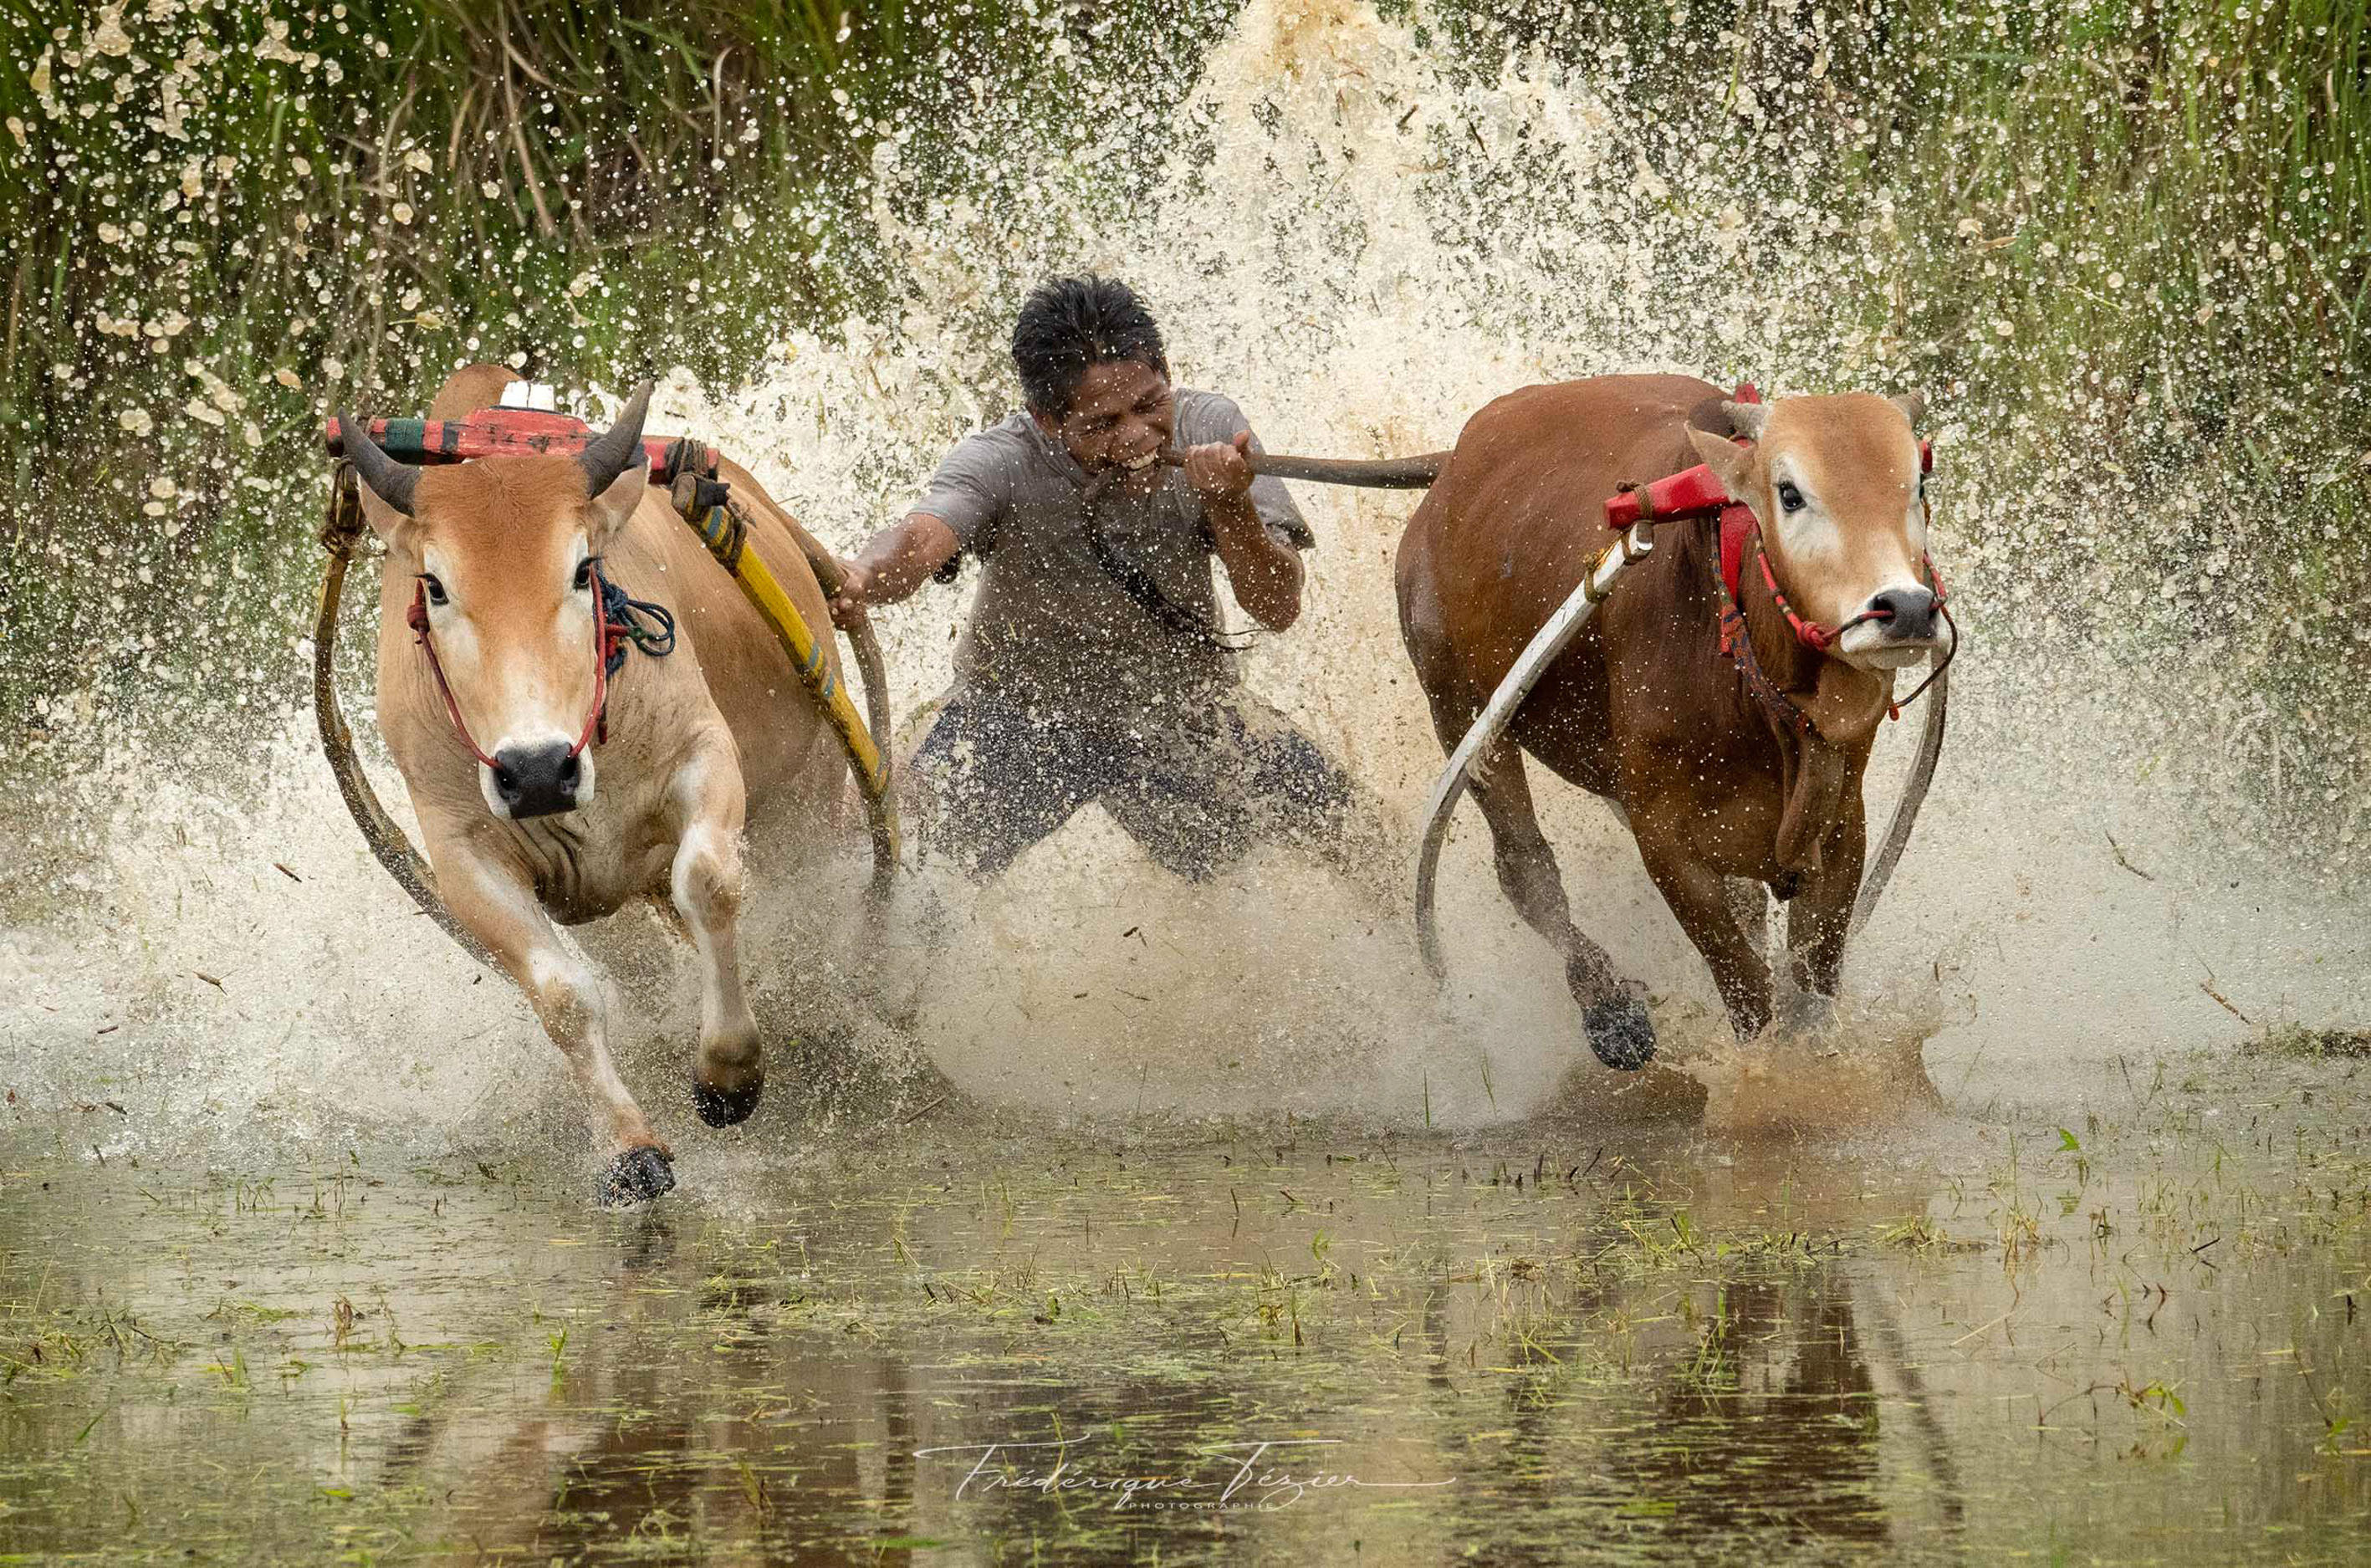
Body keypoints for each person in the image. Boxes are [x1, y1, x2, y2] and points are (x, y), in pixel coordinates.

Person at [829, 275, 1353, 881]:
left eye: (1149, 405)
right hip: (1016, 719)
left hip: (1182, 714)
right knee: (886, 864)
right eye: (1102, 424)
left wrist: (1229, 505)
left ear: (1165, 372)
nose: (1134, 436)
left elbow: (1278, 606)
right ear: (1046, 418)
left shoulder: (1213, 428)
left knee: (1368, 847)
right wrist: (862, 574)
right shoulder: (1000, 459)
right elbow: (920, 540)